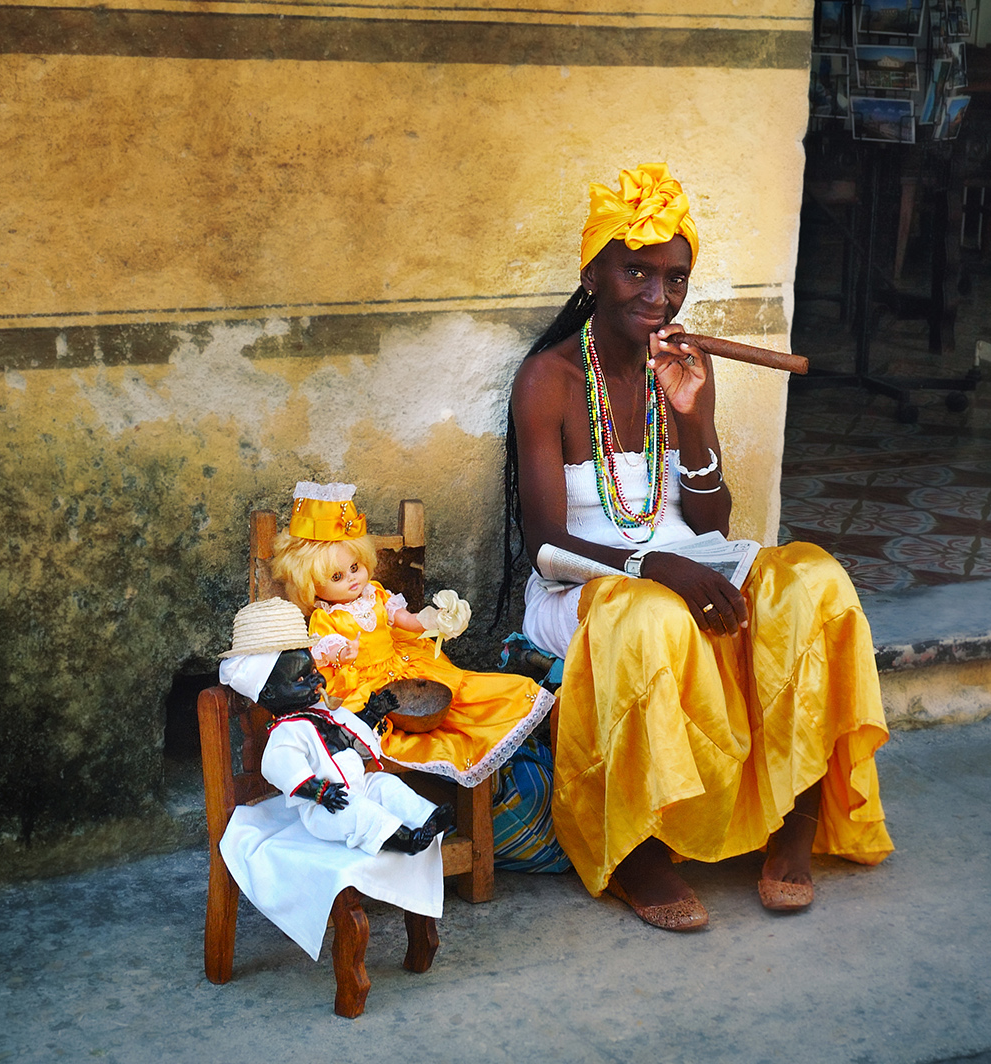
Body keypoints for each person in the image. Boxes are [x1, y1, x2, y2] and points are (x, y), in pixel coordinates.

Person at [502, 162, 894, 930]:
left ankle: (795, 817)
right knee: (654, 617)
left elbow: (711, 526)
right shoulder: (547, 379)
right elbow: (545, 543)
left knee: (814, 579)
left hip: (688, 560)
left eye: (674, 278)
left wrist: (694, 417)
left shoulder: (674, 370)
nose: (658, 296)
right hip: (582, 587)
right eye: (636, 273)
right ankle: (640, 849)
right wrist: (655, 567)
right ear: (592, 276)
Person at [272, 481, 554, 789]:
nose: (353, 579)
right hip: (361, 680)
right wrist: (343, 653)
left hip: (402, 663)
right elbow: (325, 650)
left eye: (355, 567)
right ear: (309, 585)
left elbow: (404, 620)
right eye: (337, 577)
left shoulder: (376, 595)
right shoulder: (326, 618)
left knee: (458, 695)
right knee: (373, 720)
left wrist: (432, 618)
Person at [218, 597, 453, 855]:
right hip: (327, 807)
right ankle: (406, 840)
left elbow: (349, 733)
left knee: (386, 786)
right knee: (360, 814)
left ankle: (427, 820)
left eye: (314, 671)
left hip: (358, 786)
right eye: (301, 679)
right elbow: (282, 769)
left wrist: (374, 712)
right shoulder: (286, 733)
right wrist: (320, 792)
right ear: (270, 694)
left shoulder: (321, 712)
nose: (316, 680)